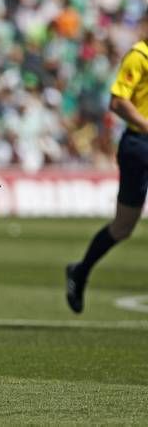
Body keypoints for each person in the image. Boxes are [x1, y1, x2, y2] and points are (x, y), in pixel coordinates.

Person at [66, 34, 148, 313]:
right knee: (123, 227)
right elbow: (117, 102)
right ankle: (81, 270)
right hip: (140, 145)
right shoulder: (140, 56)